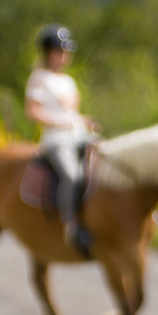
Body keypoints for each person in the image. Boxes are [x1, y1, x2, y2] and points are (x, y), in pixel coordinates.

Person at [25, 24, 99, 256]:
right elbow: (33, 111)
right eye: (60, 50)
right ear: (48, 52)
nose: (65, 55)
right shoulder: (39, 77)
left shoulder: (68, 81)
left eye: (66, 51)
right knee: (72, 175)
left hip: (77, 135)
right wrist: (64, 122)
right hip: (55, 140)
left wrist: (83, 121)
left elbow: (72, 112)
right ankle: (71, 226)